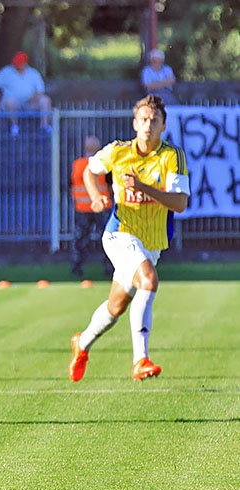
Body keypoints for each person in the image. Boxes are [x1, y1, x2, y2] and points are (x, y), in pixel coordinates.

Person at [69, 95, 189, 382]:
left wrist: (145, 187)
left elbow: (180, 203)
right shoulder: (118, 151)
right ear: (135, 123)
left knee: (115, 307)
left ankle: (82, 343)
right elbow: (90, 169)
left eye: (154, 120)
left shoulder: (172, 156)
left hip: (152, 241)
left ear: (163, 126)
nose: (148, 124)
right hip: (119, 233)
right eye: (144, 119)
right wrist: (97, 194)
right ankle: (140, 360)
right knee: (149, 279)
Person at [70, 135, 112, 278]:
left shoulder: (77, 164)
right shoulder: (104, 165)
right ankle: (109, 268)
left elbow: (70, 184)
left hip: (82, 208)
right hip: (102, 206)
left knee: (80, 240)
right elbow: (111, 184)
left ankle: (77, 267)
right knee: (108, 239)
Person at [0, 51, 51, 137]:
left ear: (25, 63)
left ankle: (44, 126)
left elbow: (40, 91)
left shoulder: (34, 73)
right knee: (10, 102)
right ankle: (15, 127)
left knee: (45, 100)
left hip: (29, 103)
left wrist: (34, 97)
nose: (17, 66)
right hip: (11, 103)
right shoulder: (6, 72)